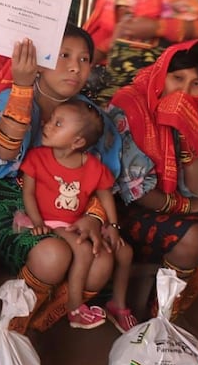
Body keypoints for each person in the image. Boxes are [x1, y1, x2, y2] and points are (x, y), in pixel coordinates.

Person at [0, 27, 130, 333]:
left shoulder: (92, 119)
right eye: (64, 56)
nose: (75, 67)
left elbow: (102, 181)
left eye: (84, 59)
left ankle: (35, 325)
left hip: (69, 213)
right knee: (53, 254)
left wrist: (95, 218)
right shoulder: (10, 99)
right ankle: (12, 328)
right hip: (9, 211)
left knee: (102, 260)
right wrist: (21, 87)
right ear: (39, 61)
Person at [107, 41, 198, 319]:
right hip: (120, 209)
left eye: (196, 84)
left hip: (168, 202)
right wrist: (189, 208)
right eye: (177, 78)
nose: (184, 91)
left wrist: (187, 131)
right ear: (161, 73)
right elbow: (137, 193)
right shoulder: (130, 105)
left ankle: (165, 316)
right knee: (191, 237)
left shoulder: (193, 113)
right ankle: (153, 319)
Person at [19, 101, 134, 330]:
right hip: (49, 223)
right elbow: (28, 194)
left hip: (75, 223)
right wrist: (38, 223)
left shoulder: (94, 167)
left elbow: (105, 196)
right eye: (51, 119)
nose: (48, 125)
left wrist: (112, 225)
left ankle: (118, 304)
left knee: (125, 251)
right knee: (83, 248)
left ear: (78, 142)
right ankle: (75, 307)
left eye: (58, 123)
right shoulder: (37, 158)